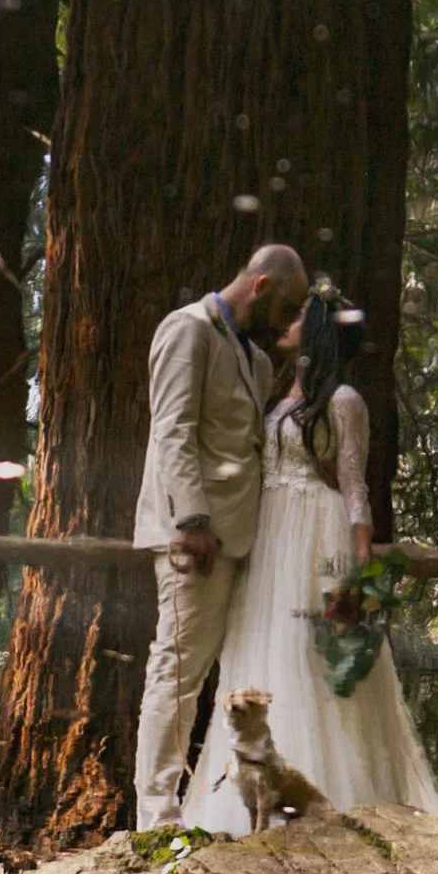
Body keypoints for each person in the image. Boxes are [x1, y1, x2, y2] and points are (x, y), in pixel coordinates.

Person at [181, 287, 438, 834]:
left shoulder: (344, 400)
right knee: (260, 648)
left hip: (315, 536)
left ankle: (331, 803)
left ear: (321, 331)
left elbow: (355, 487)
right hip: (271, 537)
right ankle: (248, 801)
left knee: (312, 660)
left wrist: (360, 573)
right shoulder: (281, 396)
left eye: (303, 315)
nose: (290, 319)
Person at [132, 244, 308, 830]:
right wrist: (192, 521)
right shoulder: (188, 330)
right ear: (259, 286)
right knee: (177, 671)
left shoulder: (255, 361)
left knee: (226, 679)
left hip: (242, 538)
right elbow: (173, 430)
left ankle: (221, 809)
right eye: (286, 309)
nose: (287, 325)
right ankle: (156, 819)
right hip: (197, 538)